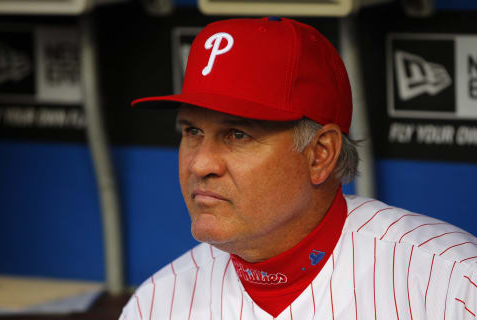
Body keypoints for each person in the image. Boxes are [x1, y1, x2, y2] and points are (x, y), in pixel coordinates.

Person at [120, 17, 477, 320]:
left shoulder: (454, 286)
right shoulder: (155, 305)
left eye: (238, 134)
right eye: (192, 131)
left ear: (320, 153)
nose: (200, 163)